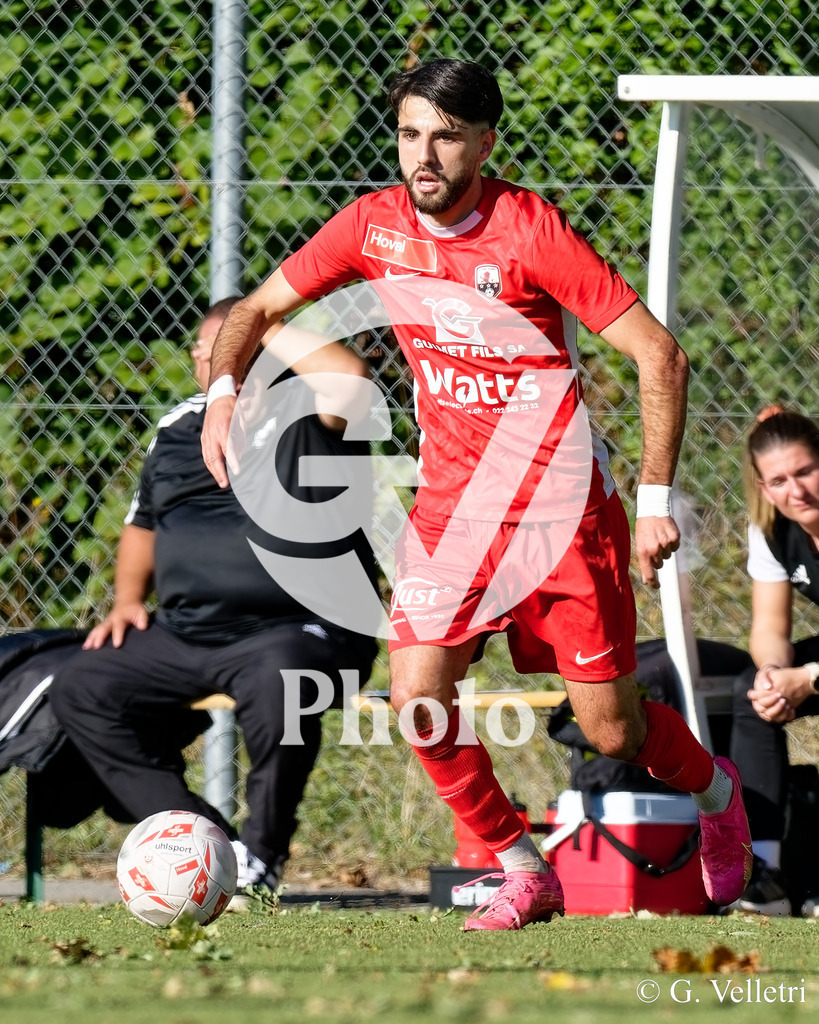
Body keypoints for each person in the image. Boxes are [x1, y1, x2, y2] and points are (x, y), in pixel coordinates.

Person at [200, 58, 752, 929]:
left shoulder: (530, 231)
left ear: (484, 144)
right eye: (410, 133)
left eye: (446, 137)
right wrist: (225, 391)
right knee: (417, 696)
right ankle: (521, 868)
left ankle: (716, 791)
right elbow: (256, 309)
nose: (424, 155)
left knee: (611, 730)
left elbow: (659, 355)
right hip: (454, 511)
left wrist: (652, 500)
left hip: (563, 515)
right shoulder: (372, 225)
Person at [50, 298, 377, 892]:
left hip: (296, 629)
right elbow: (144, 520)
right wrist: (127, 600)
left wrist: (259, 320)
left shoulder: (308, 408)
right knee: (85, 685)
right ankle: (209, 842)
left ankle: (262, 856)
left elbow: (351, 377)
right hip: (187, 631)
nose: (218, 360)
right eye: (210, 352)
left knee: (282, 683)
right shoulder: (178, 425)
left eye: (235, 349)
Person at [727, 406, 819, 916]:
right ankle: (762, 874)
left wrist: (809, 677)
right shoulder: (770, 530)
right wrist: (773, 676)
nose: (796, 491)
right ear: (764, 489)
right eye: (780, 480)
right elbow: (769, 629)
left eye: (805, 471)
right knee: (751, 693)